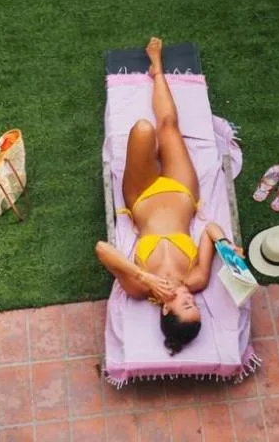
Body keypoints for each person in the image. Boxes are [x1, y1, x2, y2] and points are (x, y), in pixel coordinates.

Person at [94, 37, 243, 355]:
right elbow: (210, 230)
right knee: (168, 126)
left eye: (186, 307)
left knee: (143, 131)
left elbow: (102, 249)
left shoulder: (137, 289)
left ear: (165, 310)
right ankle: (157, 68)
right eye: (196, 307)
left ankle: (150, 153)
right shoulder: (197, 279)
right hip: (181, 191)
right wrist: (226, 247)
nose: (193, 301)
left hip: (142, 196)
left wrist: (142, 275)